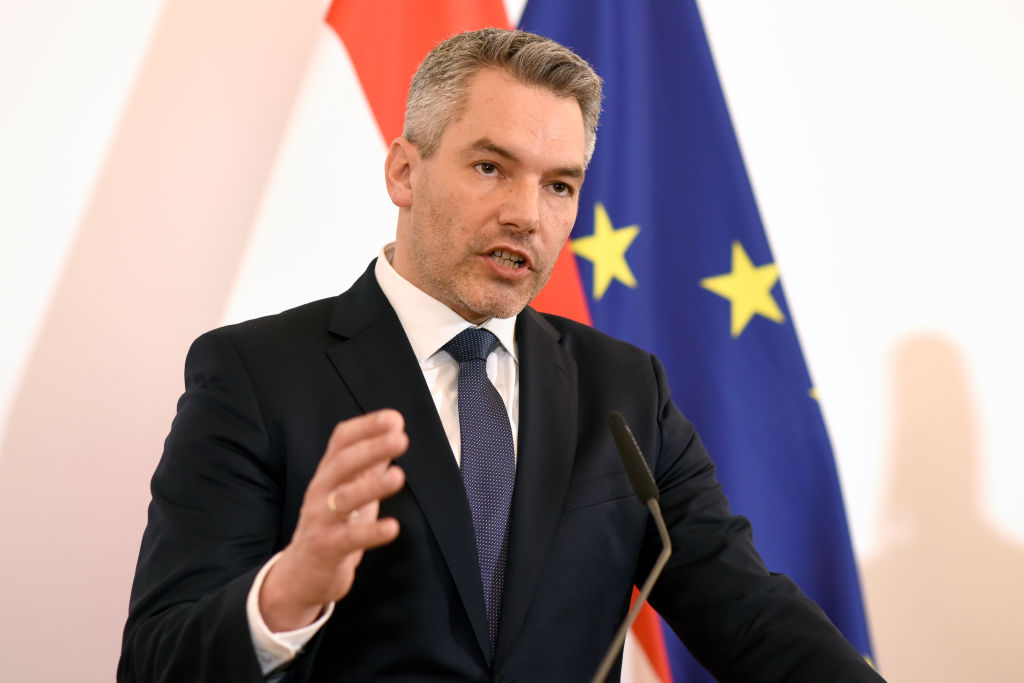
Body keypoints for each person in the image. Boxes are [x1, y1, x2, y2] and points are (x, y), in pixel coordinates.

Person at [119, 28, 884, 682]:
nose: (526, 214)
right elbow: (155, 660)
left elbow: (748, 613)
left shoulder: (624, 391)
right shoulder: (255, 375)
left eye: (559, 186)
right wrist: (285, 593)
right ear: (404, 171)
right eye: (491, 168)